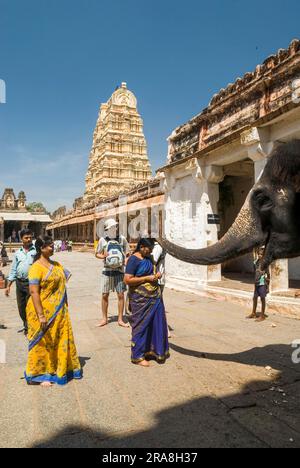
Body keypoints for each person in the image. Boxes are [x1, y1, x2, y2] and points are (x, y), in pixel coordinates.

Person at [25, 236, 82, 387]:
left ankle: (58, 368)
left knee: (58, 340)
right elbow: (34, 292)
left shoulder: (56, 265)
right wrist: (41, 315)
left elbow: (65, 277)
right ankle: (39, 374)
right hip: (41, 312)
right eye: (50, 246)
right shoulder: (36, 268)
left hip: (59, 312)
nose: (52, 247)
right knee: (42, 343)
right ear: (41, 248)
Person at [124, 238, 170, 367]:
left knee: (156, 324)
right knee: (141, 327)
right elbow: (127, 280)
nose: (149, 252)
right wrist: (146, 278)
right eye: (148, 249)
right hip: (140, 299)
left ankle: (153, 351)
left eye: (151, 250)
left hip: (154, 296)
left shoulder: (148, 258)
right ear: (142, 247)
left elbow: (152, 271)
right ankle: (137, 356)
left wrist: (157, 275)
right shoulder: (134, 259)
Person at [96, 219, 130, 328]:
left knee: (120, 294)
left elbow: (128, 252)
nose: (113, 228)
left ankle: (120, 319)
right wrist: (104, 256)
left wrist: (126, 260)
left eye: (115, 226)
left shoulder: (122, 239)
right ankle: (104, 318)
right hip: (107, 270)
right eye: (111, 227)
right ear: (107, 229)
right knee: (105, 294)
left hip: (119, 270)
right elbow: (97, 254)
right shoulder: (102, 240)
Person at [5, 229, 36, 335]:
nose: (29, 239)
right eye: (26, 238)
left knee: (31, 306)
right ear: (21, 239)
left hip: (32, 283)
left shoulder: (36, 251)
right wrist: (8, 285)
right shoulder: (18, 253)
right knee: (21, 306)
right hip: (19, 283)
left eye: (30, 237)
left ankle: (30, 327)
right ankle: (25, 323)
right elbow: (13, 269)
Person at [151, 239, 172, 339]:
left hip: (157, 280)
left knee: (158, 305)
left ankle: (164, 329)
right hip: (159, 279)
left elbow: (152, 262)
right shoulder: (160, 247)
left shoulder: (157, 248)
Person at [247, 247, 270, 322]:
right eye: (259, 254)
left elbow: (268, 275)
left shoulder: (265, 264)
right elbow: (255, 272)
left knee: (262, 299)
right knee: (255, 298)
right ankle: (253, 313)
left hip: (262, 283)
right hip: (256, 283)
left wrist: (267, 286)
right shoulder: (255, 262)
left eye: (261, 254)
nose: (260, 255)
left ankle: (262, 315)